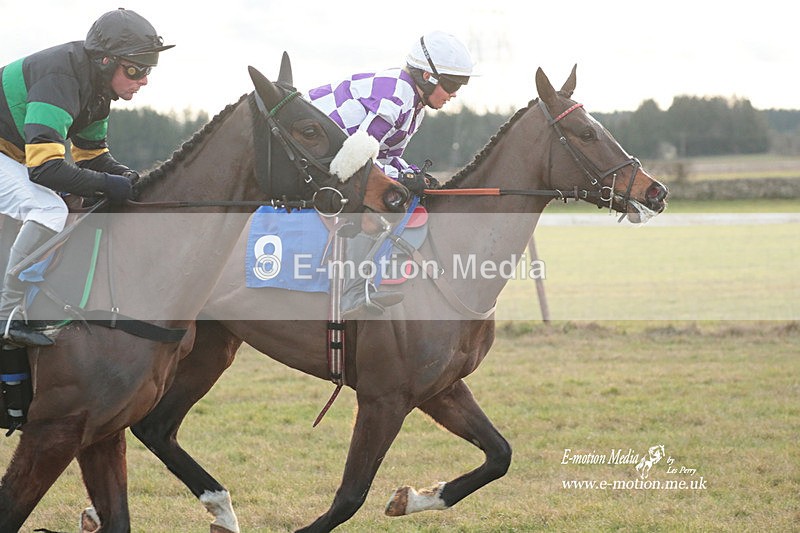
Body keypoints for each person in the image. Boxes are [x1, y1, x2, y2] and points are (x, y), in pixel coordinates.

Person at [0, 8, 174, 346]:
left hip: (13, 155)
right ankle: (6, 315)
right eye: (137, 69)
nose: (144, 80)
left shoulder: (97, 91)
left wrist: (124, 175)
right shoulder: (59, 79)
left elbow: (91, 156)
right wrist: (108, 184)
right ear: (105, 61)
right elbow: (45, 169)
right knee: (49, 209)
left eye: (148, 69)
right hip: (14, 157)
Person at [308, 31, 475, 318]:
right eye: (451, 84)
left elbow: (386, 156)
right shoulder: (397, 95)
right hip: (313, 153)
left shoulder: (415, 104)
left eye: (460, 85)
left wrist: (413, 174)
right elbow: (360, 157)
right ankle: (351, 293)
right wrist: (401, 180)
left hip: (337, 153)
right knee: (382, 205)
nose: (454, 93)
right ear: (426, 77)